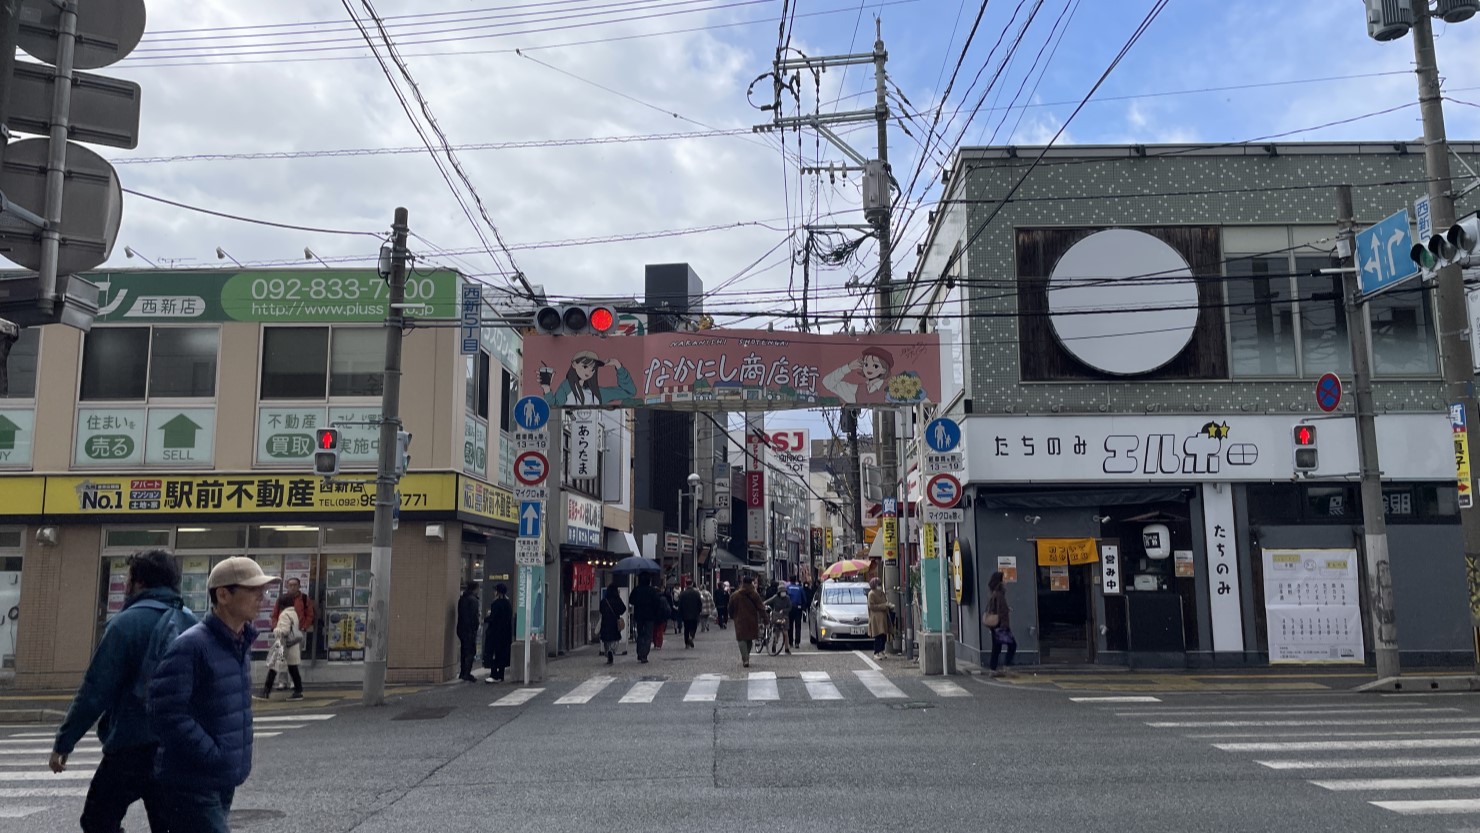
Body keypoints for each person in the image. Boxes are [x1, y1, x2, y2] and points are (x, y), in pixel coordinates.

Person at [51, 549, 198, 833]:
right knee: (169, 825)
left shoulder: (124, 624)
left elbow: (95, 691)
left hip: (129, 746)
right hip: (175, 748)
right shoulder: (190, 621)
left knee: (98, 820)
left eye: (128, 578)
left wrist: (64, 742)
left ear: (139, 582)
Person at [148, 555, 280, 833]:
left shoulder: (239, 643)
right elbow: (165, 711)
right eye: (254, 590)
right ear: (223, 595)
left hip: (221, 777)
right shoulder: (192, 645)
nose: (262, 597)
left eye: (263, 590)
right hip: (192, 781)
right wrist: (213, 753)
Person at [538, 350, 636, 407]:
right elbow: (553, 406)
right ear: (574, 364)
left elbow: (629, 392)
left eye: (593, 369)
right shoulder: (567, 386)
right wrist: (546, 388)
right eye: (585, 367)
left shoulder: (598, 393)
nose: (589, 372)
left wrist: (618, 365)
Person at [258, 592, 304, 701]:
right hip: (292, 644)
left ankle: (266, 692)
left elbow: (284, 631)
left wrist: (275, 630)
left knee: (274, 666)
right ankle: (298, 691)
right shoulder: (294, 613)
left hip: (283, 645)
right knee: (293, 668)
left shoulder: (284, 614)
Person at [271, 577, 315, 689]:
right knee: (281, 658)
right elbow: (274, 614)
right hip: (282, 633)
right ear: (287, 586)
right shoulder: (282, 599)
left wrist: (304, 627)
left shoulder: (304, 599)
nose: (293, 587)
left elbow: (310, 614)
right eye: (290, 585)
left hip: (296, 633)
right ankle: (282, 681)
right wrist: (275, 627)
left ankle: (293, 681)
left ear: (299, 586)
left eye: (295, 585)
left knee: (294, 658)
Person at [726, 576, 766, 668]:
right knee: (749, 639)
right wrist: (765, 619)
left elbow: (730, 607)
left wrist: (732, 616)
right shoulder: (755, 594)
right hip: (752, 619)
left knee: (741, 638)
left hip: (739, 619)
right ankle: (746, 656)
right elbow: (761, 608)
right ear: (751, 583)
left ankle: (745, 658)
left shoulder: (735, 595)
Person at [985, 571, 1017, 676]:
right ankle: (1006, 667)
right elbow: (1001, 611)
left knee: (996, 647)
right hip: (1001, 626)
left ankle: (992, 669)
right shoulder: (999, 595)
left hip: (995, 626)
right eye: (1004, 579)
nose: (1006, 581)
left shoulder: (994, 593)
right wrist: (1005, 626)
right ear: (1000, 581)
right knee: (1012, 645)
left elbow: (994, 609)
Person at [626, 574, 662, 663]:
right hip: (650, 616)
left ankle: (639, 652)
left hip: (639, 615)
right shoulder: (652, 591)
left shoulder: (637, 589)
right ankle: (644, 654)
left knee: (640, 634)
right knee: (648, 635)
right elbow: (657, 602)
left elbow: (630, 600)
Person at [482, 584, 514, 683]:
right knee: (502, 654)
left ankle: (494, 675)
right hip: (505, 633)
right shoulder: (508, 603)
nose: (494, 592)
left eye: (495, 590)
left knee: (493, 653)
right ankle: (501, 675)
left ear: (498, 592)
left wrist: (485, 619)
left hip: (495, 633)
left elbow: (493, 618)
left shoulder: (496, 603)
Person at [456, 582, 480, 682]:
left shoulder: (462, 599)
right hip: (469, 630)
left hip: (461, 629)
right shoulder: (473, 600)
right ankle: (467, 673)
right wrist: (475, 628)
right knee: (471, 651)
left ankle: (462, 672)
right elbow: (474, 617)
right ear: (475, 589)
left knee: (463, 651)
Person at [598, 582, 627, 665]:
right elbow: (623, 609)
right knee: (615, 639)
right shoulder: (617, 600)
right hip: (614, 622)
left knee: (606, 639)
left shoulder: (604, 601)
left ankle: (607, 652)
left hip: (605, 622)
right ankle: (612, 650)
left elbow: (601, 610)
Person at [867, 577, 895, 660]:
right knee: (878, 635)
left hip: (884, 616)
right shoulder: (871, 594)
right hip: (876, 618)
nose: (879, 586)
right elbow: (871, 606)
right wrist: (884, 606)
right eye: (878, 584)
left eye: (880, 584)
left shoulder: (882, 593)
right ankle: (877, 652)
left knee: (884, 635)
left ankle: (882, 650)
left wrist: (889, 605)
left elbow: (885, 601)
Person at [765, 581, 793, 655]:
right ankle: (774, 644)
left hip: (784, 617)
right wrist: (762, 604)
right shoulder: (775, 597)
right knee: (776, 632)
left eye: (784, 591)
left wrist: (784, 610)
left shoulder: (787, 598)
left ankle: (786, 648)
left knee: (785, 632)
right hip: (776, 616)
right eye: (782, 592)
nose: (783, 593)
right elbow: (768, 601)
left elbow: (790, 607)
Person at [678, 582, 703, 648]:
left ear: (686, 584)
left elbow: (680, 604)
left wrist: (680, 613)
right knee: (694, 627)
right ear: (691, 584)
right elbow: (700, 603)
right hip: (694, 613)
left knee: (686, 628)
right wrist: (699, 611)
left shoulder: (683, 594)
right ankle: (691, 636)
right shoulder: (696, 593)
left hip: (685, 614)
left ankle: (687, 643)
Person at [786, 580, 806, 647]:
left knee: (790, 626)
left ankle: (790, 642)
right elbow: (804, 599)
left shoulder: (788, 588)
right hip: (798, 608)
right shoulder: (800, 588)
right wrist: (803, 607)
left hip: (790, 609)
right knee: (798, 626)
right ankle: (797, 642)